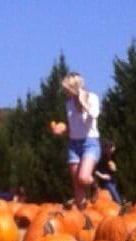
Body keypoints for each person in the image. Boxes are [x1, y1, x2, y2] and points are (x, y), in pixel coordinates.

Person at [50, 72, 101, 209]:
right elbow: (73, 128)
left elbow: (94, 116)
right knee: (76, 183)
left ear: (74, 87)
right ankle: (82, 214)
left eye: (66, 88)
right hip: (74, 144)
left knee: (83, 178)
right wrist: (62, 131)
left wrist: (84, 103)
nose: (65, 91)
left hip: (90, 143)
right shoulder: (68, 103)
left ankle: (94, 184)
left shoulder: (93, 98)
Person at [93, 139, 122, 204]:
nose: (113, 151)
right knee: (115, 196)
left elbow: (111, 169)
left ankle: (120, 205)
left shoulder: (108, 157)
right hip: (105, 181)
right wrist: (102, 176)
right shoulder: (99, 158)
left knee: (115, 195)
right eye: (112, 149)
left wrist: (113, 168)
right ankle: (120, 206)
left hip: (111, 179)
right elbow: (93, 169)